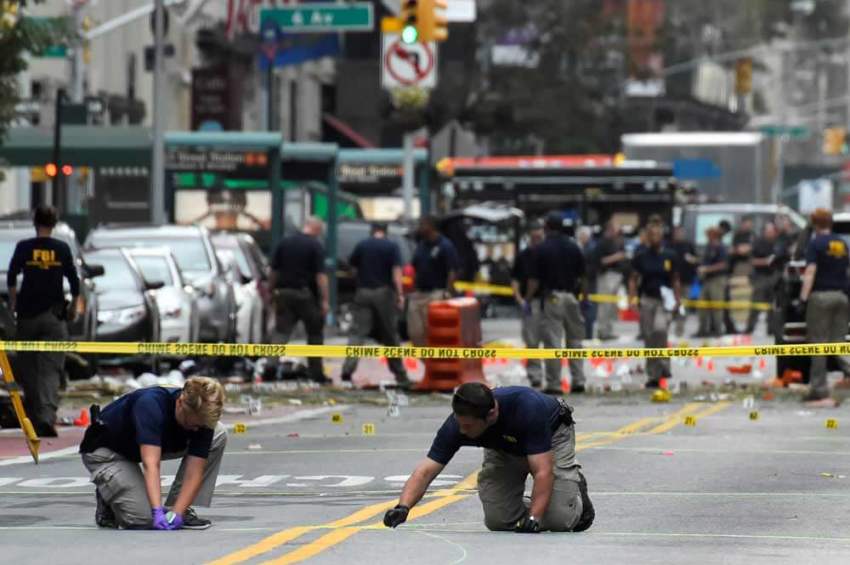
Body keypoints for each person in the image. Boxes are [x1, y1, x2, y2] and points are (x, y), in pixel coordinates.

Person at [383, 383, 594, 533]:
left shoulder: (527, 408)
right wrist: (403, 507)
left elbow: (542, 471)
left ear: (491, 415)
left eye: (468, 426)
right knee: (498, 520)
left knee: (559, 520)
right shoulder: (458, 424)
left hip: (551, 440)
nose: (462, 431)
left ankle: (573, 496)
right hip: (504, 447)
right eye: (459, 423)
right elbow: (426, 471)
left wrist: (534, 517)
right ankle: (550, 500)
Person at [79, 377, 227, 530]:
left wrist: (178, 512)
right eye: (193, 424)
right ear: (180, 403)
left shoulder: (202, 417)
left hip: (141, 446)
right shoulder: (150, 405)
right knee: (143, 518)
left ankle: (177, 506)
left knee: (218, 433)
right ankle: (108, 495)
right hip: (107, 451)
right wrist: (156, 511)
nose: (197, 429)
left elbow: (194, 471)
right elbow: (151, 465)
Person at [6, 206, 81, 437]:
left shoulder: (24, 247)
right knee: (50, 369)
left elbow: (11, 276)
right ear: (54, 223)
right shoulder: (61, 248)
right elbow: (74, 280)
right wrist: (73, 307)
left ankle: (34, 417)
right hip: (53, 316)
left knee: (28, 369)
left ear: (35, 222)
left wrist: (13, 303)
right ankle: (46, 416)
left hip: (27, 316)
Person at [340, 223, 409, 388]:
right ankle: (400, 374)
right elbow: (396, 272)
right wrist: (400, 294)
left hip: (363, 292)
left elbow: (352, 268)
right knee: (390, 335)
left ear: (372, 231)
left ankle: (347, 370)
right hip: (384, 293)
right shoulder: (391, 246)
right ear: (385, 232)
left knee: (357, 333)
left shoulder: (362, 245)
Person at [526, 213, 586, 394]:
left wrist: (528, 299)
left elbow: (534, 280)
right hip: (572, 297)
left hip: (552, 298)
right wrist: (584, 298)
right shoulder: (574, 247)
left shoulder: (542, 249)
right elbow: (583, 277)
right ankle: (578, 380)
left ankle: (554, 383)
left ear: (547, 227)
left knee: (553, 341)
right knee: (575, 341)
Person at [798, 208, 850, 405]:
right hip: (841, 297)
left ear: (815, 224)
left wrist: (803, 298)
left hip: (821, 297)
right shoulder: (842, 243)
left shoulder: (816, 243)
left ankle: (819, 390)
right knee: (839, 344)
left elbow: (810, 271)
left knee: (818, 345)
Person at [269, 217, 329, 383]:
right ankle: (316, 373)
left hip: (284, 294)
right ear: (316, 229)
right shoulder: (315, 246)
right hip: (305, 296)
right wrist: (325, 300)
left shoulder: (284, 242)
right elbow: (321, 277)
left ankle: (270, 367)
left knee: (281, 332)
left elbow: (273, 271)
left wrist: (271, 291)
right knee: (315, 334)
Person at [629, 222, 681, 388]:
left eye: (657, 235)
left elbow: (675, 279)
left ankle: (664, 365)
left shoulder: (670, 255)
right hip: (647, 299)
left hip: (664, 300)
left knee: (660, 330)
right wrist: (633, 299)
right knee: (649, 336)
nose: (654, 238)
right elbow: (633, 279)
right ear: (647, 237)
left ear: (662, 237)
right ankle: (653, 374)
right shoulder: (641, 256)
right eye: (651, 235)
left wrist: (678, 299)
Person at [407, 216, 460, 347]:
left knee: (432, 331)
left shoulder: (445, 245)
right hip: (419, 293)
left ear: (431, 226)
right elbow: (414, 267)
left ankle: (433, 358)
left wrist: (448, 291)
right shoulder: (421, 245)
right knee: (415, 332)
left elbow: (453, 270)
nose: (420, 228)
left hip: (436, 293)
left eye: (422, 225)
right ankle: (424, 357)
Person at [511, 221, 545, 388]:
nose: (536, 239)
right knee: (532, 340)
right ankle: (535, 375)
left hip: (545, 300)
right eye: (534, 236)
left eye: (539, 236)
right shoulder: (523, 256)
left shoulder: (547, 253)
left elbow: (535, 281)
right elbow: (515, 279)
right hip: (531, 302)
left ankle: (553, 376)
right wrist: (520, 299)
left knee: (551, 341)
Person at [745, 222, 780, 335]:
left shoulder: (778, 243)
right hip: (760, 276)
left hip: (774, 276)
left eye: (772, 231)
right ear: (764, 232)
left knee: (773, 305)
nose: (770, 234)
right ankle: (750, 328)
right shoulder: (758, 243)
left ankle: (772, 328)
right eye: (768, 231)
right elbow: (751, 261)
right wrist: (765, 261)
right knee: (756, 303)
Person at [594, 221, 627, 340]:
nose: (617, 232)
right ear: (609, 229)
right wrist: (617, 257)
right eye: (615, 230)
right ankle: (602, 331)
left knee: (612, 306)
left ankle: (608, 330)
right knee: (605, 305)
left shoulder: (615, 242)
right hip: (606, 276)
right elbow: (600, 261)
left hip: (615, 276)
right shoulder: (602, 243)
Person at [696, 227, 729, 338]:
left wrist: (707, 269)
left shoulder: (721, 247)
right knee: (702, 305)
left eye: (709, 234)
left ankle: (718, 330)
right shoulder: (708, 247)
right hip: (706, 279)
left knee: (717, 306)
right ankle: (702, 330)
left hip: (717, 279)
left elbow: (723, 264)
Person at [669, 226, 698, 337]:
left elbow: (697, 260)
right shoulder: (670, 246)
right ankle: (665, 328)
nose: (679, 234)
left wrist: (692, 259)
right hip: (672, 281)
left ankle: (679, 330)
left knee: (683, 306)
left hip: (686, 280)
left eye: (681, 232)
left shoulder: (689, 246)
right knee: (671, 305)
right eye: (677, 232)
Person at [576, 226, 598, 340]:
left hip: (589, 282)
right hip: (584, 282)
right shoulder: (583, 247)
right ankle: (584, 333)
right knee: (583, 310)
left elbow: (591, 267)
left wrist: (580, 274)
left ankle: (587, 334)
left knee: (588, 309)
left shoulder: (591, 249)